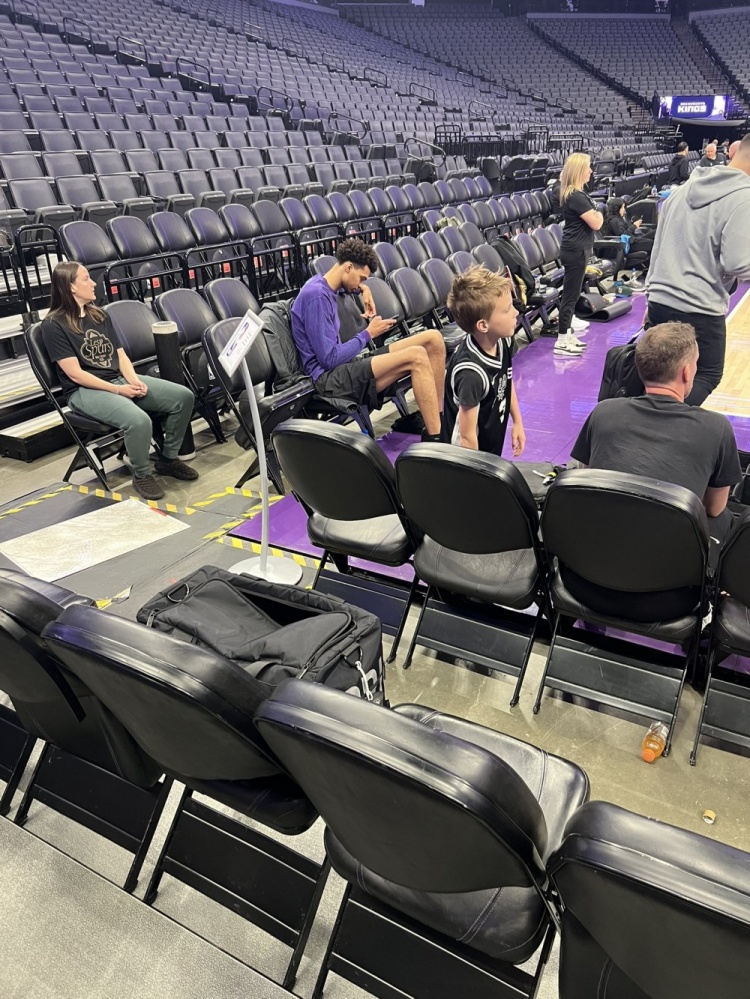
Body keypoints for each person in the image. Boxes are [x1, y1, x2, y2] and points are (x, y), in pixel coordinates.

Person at [571, 322, 741, 548]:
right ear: (686, 372)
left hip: (591, 557)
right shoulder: (716, 427)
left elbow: (587, 477)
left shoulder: (603, 411)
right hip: (670, 565)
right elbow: (714, 508)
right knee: (724, 518)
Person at [41, 262, 198, 501]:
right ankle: (142, 475)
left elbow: (121, 355)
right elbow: (75, 374)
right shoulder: (53, 324)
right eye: (86, 279)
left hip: (118, 379)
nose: (93, 284)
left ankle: (167, 459)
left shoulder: (99, 315)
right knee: (138, 420)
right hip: (84, 390)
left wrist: (134, 381)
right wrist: (118, 389)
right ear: (71, 287)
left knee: (182, 397)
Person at [291, 238, 446, 441]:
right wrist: (368, 334)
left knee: (433, 339)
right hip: (327, 379)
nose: (361, 284)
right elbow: (328, 360)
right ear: (348, 267)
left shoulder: (327, 284)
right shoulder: (316, 296)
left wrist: (364, 289)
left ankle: (437, 419)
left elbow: (348, 286)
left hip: (344, 366)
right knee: (416, 356)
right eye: (362, 279)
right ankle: (436, 438)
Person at [645, 132, 750, 406]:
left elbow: (659, 245)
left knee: (660, 378)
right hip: (699, 309)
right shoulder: (744, 197)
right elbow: (739, 262)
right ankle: (664, 424)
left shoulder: (684, 188)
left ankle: (648, 419)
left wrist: (650, 294)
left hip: (660, 301)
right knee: (707, 374)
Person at [441, 267, 525, 458]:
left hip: (490, 446)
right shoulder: (471, 374)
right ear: (483, 325)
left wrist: (517, 422)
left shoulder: (503, 341)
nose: (515, 312)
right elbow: (467, 438)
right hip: (465, 459)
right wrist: (480, 473)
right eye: (507, 310)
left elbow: (506, 381)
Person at [555, 151, 602, 357]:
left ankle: (567, 334)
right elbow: (597, 223)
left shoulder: (576, 194)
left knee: (572, 296)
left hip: (577, 249)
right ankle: (561, 340)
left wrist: (597, 213)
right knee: (570, 296)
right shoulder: (576, 196)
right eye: (588, 168)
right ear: (579, 170)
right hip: (575, 251)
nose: (590, 171)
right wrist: (599, 213)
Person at [602, 197, 654, 264]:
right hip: (627, 244)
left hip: (632, 240)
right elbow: (623, 235)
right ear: (616, 208)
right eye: (622, 207)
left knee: (655, 233)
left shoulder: (619, 218)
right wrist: (634, 226)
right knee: (653, 243)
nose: (624, 210)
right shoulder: (614, 221)